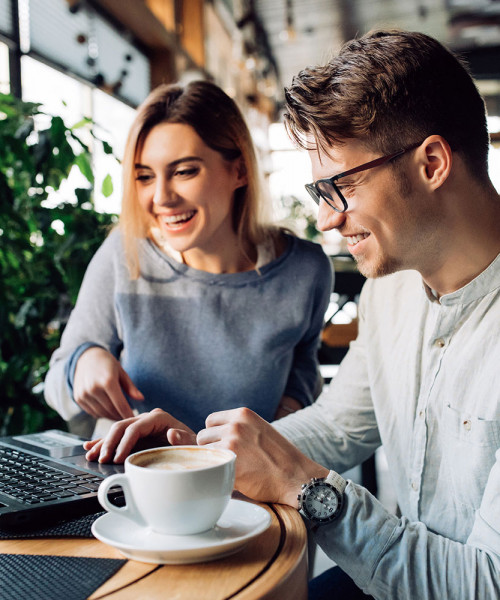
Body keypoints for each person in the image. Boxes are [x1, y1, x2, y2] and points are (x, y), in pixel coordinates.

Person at [84, 30, 500, 598]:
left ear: (431, 162)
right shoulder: (392, 289)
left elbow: (485, 584)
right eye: (318, 193)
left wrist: (307, 490)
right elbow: (336, 426)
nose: (327, 220)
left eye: (342, 186)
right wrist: (200, 457)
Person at [44, 80, 332, 436]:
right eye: (145, 177)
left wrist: (283, 420)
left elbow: (303, 363)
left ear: (239, 171)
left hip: (242, 485)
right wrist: (81, 363)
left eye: (184, 171)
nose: (161, 197)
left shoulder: (306, 270)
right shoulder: (124, 253)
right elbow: (56, 380)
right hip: (132, 480)